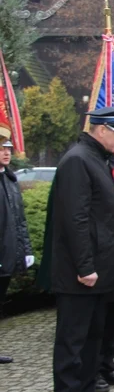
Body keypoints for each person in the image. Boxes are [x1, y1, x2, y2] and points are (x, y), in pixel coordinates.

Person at [50, 107, 114, 392]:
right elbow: (76, 220)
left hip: (101, 270)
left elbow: (104, 221)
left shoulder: (98, 159)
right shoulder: (78, 160)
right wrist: (85, 266)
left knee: (93, 340)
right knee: (72, 343)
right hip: (79, 274)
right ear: (100, 130)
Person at [0, 137, 34, 364]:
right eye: (1, 149)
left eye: (8, 149)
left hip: (8, 251)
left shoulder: (10, 180)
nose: (6, 153)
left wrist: (26, 248)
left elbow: (19, 219)